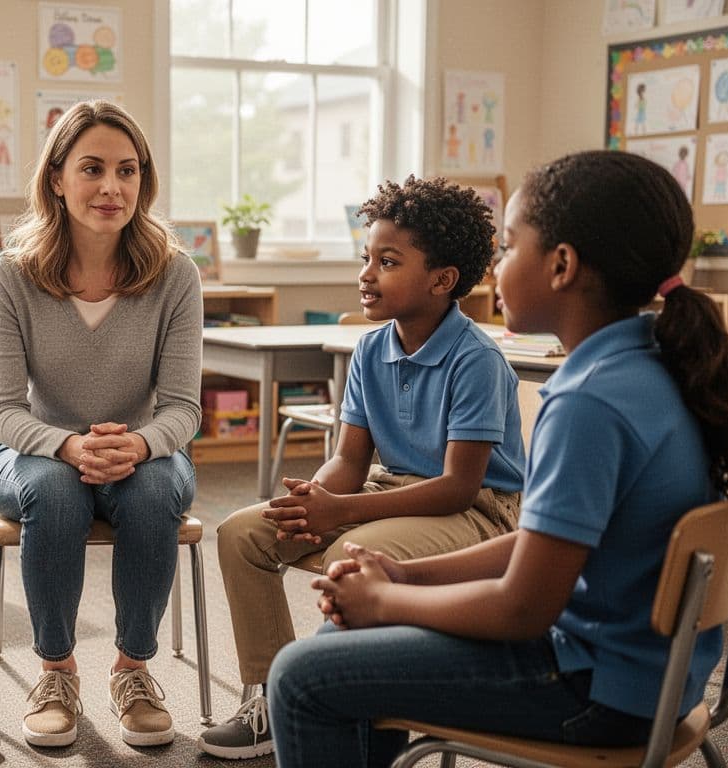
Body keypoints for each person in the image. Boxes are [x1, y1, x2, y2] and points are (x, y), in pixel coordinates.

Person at [267, 150, 728, 768]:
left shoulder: (588, 400)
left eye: (509, 247)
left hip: (592, 687)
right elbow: (543, 543)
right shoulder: (655, 364)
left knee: (302, 675)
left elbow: (524, 605)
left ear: (561, 265)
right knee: (346, 639)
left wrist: (387, 603)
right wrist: (406, 577)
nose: (497, 266)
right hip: (649, 675)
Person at [201, 175, 525, 760]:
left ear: (442, 280)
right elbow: (349, 461)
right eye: (366, 257)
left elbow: (458, 487)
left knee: (355, 558)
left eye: (388, 261)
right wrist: (311, 503)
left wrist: (341, 512)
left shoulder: (475, 360)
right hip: (390, 490)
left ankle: (338, 705)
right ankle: (273, 699)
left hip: (477, 512)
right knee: (242, 533)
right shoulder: (371, 350)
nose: (366, 273)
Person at [0, 99, 202, 748]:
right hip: (34, 454)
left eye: (127, 171)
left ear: (143, 181)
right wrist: (70, 446)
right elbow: (3, 410)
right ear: (56, 177)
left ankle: (132, 671)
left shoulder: (175, 275)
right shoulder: (10, 276)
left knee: (156, 491)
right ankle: (57, 673)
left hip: (143, 455)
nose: (112, 187)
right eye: (93, 168)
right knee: (52, 490)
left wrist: (135, 443)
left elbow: (183, 408)